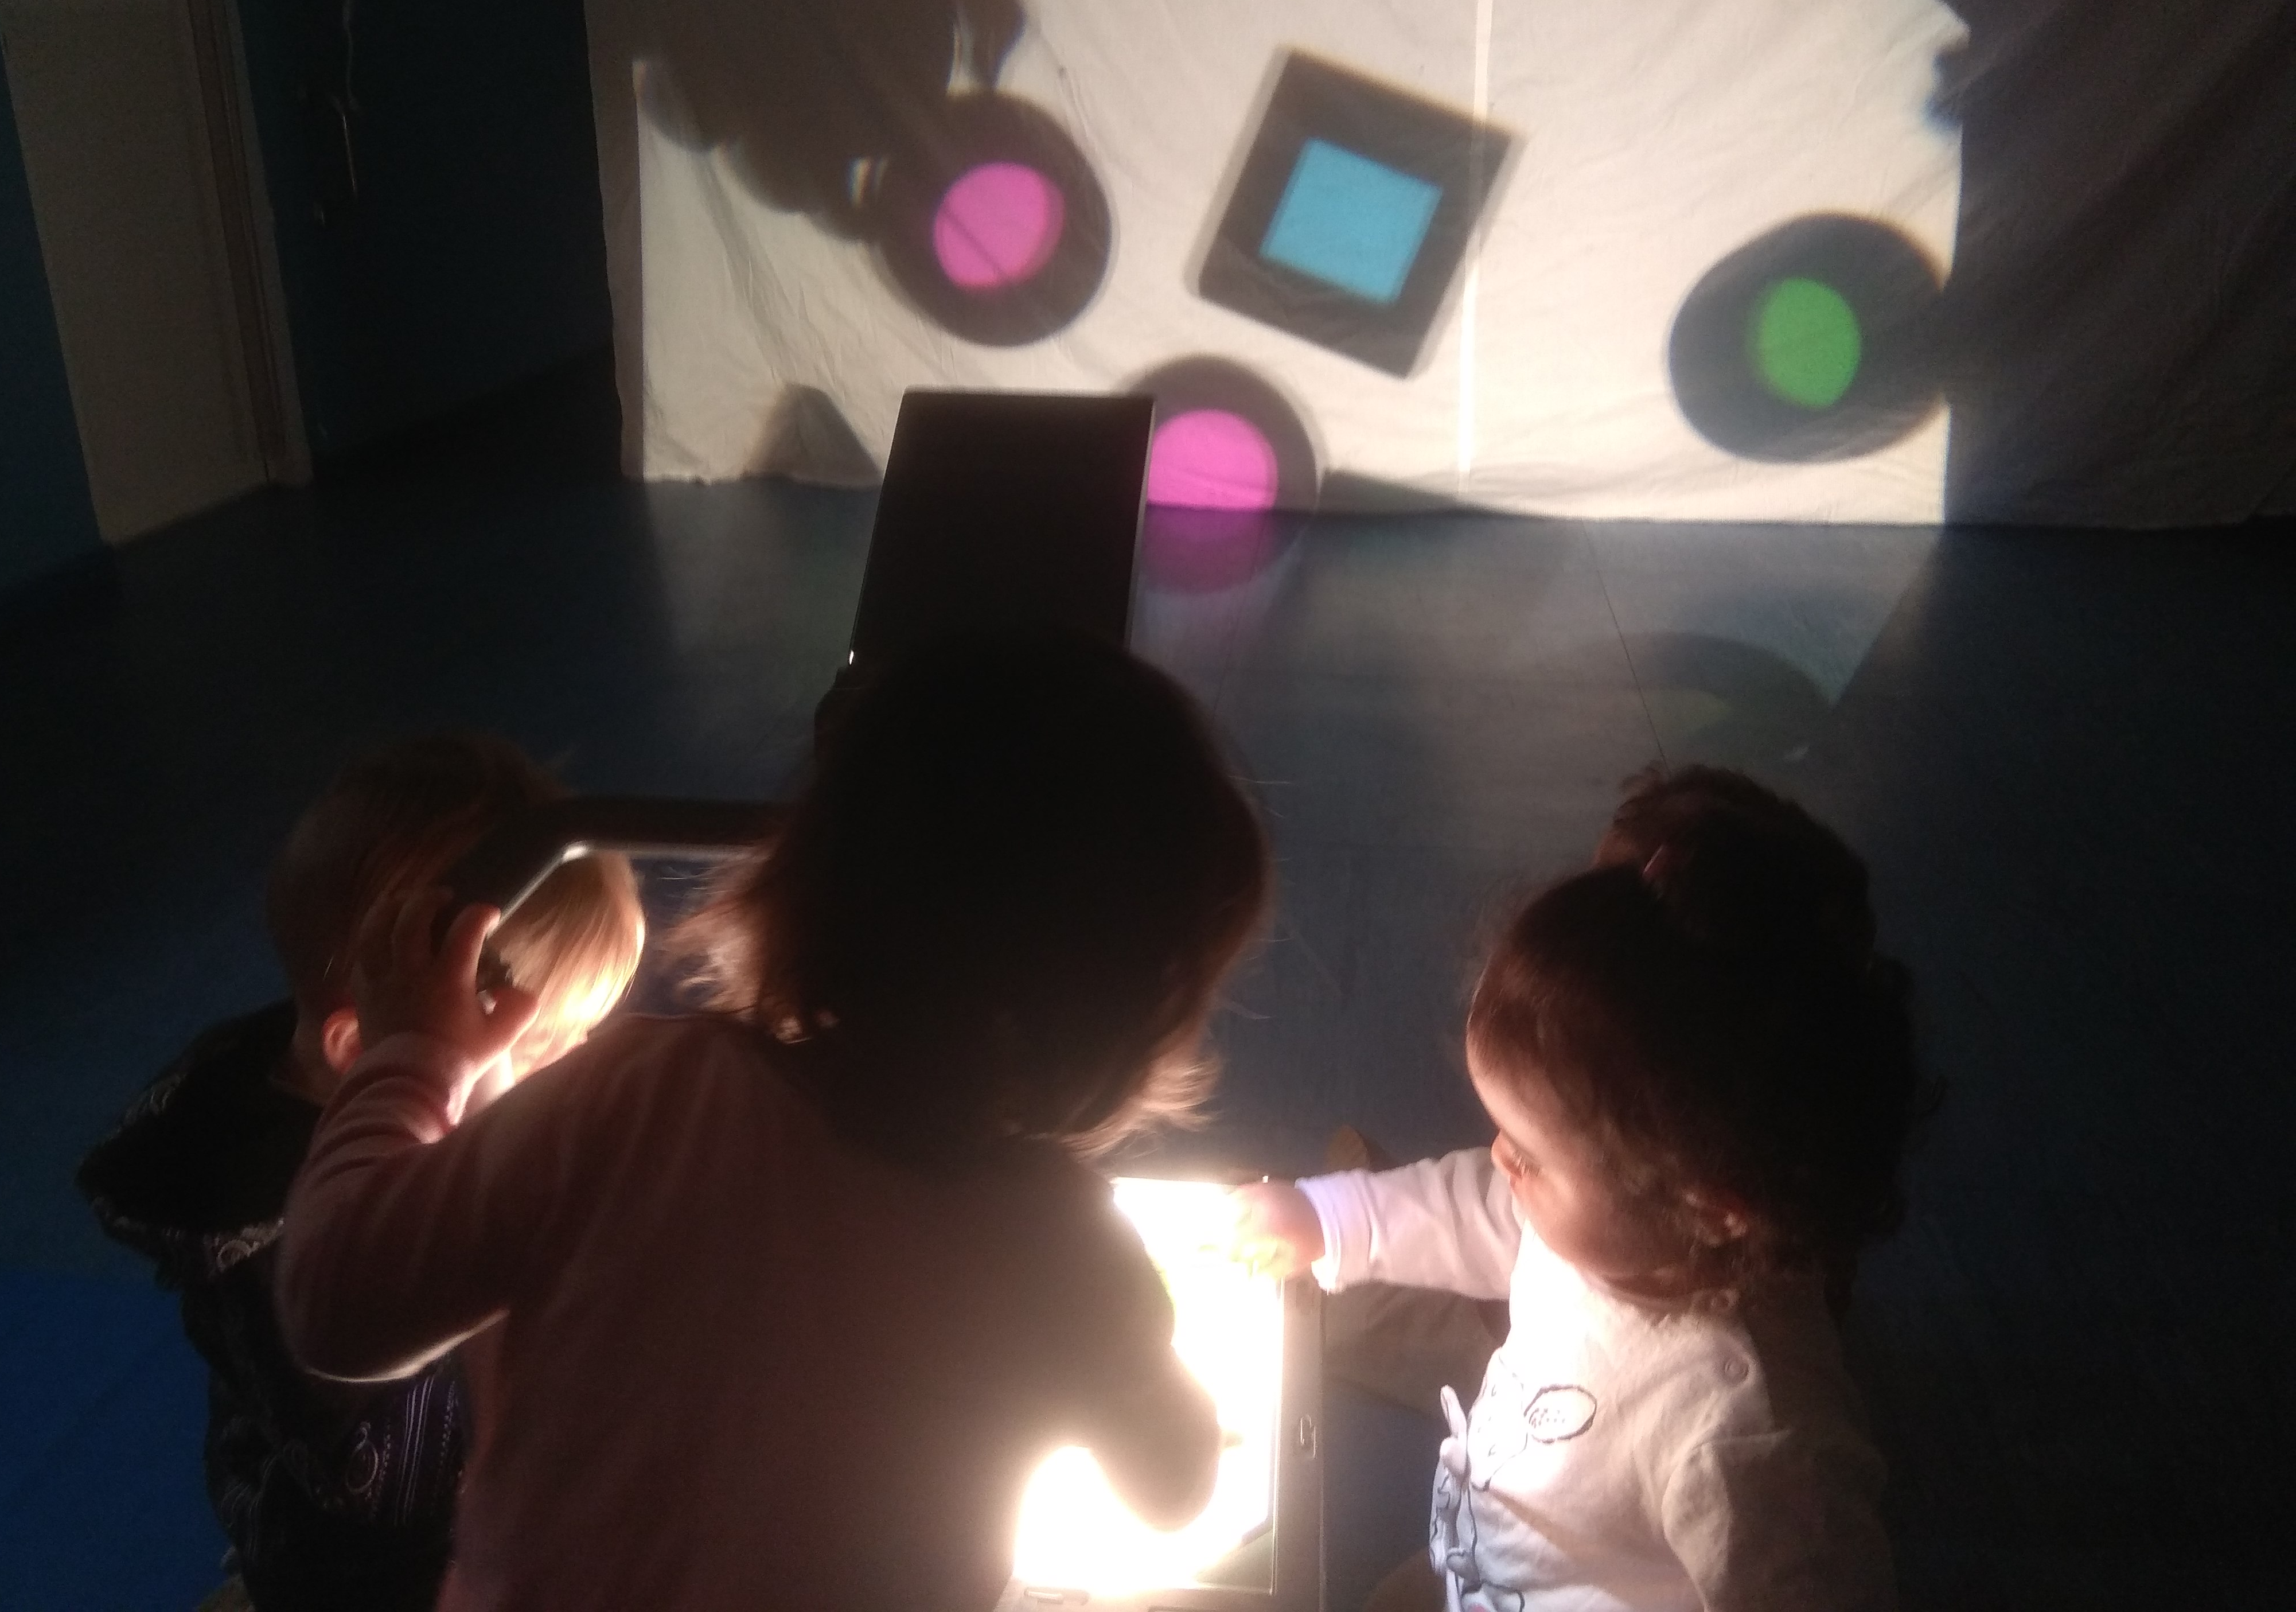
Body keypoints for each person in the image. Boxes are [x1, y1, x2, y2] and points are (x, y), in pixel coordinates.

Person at [276, 629, 1273, 1612]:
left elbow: (336, 1303)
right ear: (1134, 1018)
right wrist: (1144, 1363)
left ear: (798, 873)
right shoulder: (1068, 1248)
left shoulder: (634, 1092)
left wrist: (416, 1057)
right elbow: (1174, 1490)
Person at [1238, 766, 1930, 1612]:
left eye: (1530, 1154)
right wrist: (1327, 1215)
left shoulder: (1750, 1434)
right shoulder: (1624, 1220)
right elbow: (1480, 1209)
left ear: (1711, 1205)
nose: (1499, 1159)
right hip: (1479, 1562)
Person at [79, 735, 645, 1612]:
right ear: (368, 1047)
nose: (575, 1065)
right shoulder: (289, 1249)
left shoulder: (331, 1066)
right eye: (544, 1048)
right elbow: (392, 1489)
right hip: (374, 1578)